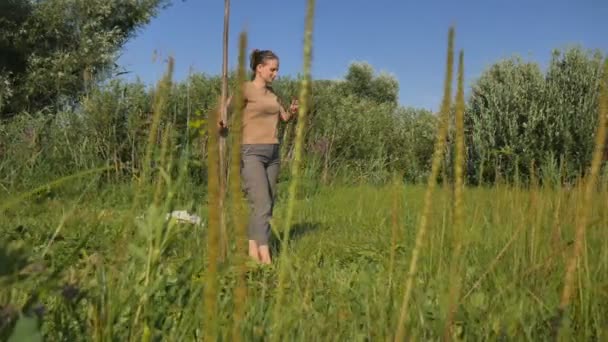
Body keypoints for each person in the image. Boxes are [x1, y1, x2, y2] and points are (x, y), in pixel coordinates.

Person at [220, 49, 298, 264]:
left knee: (266, 204)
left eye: (277, 69)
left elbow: (284, 118)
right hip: (251, 152)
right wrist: (222, 121)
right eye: (273, 69)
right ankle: (265, 258)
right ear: (260, 68)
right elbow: (226, 109)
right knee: (262, 203)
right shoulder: (246, 89)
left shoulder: (273, 94)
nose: (276, 73)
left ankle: (252, 249)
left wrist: (291, 111)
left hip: (273, 153)